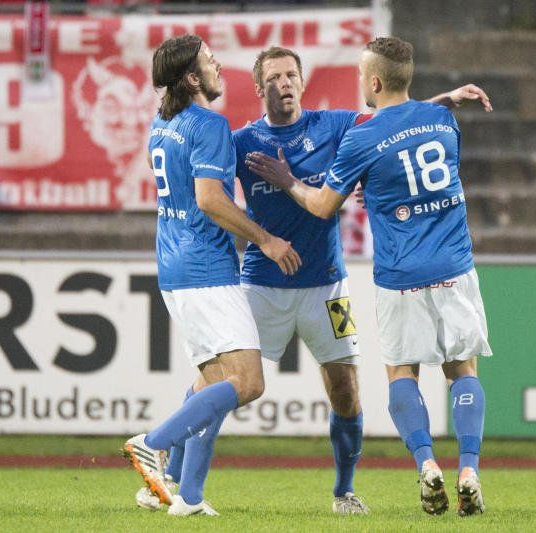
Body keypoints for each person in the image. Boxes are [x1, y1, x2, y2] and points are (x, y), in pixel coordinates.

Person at [245, 36, 491, 517]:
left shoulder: (361, 139)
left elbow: (323, 205)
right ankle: (468, 470)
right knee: (462, 370)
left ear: (374, 82)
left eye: (361, 75)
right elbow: (411, 143)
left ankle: (426, 465)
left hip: (399, 274)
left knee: (401, 372)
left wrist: (288, 180)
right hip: (455, 266)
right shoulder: (444, 120)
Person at [123, 34, 301, 517]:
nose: (217, 64)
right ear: (191, 78)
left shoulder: (163, 124)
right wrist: (266, 240)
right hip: (206, 269)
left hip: (174, 267)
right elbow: (209, 199)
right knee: (248, 382)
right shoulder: (209, 124)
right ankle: (153, 443)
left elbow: (167, 180)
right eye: (208, 60)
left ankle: (186, 495)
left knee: (212, 384)